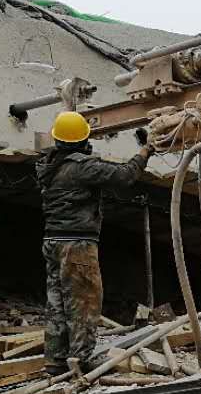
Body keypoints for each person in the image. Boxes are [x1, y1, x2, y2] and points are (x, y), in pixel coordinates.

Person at [36, 110, 153, 376]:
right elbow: (124, 176)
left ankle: (54, 361)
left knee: (57, 302)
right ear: (81, 140)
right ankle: (83, 360)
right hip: (76, 243)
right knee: (84, 301)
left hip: (52, 240)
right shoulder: (81, 167)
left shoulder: (48, 165)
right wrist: (146, 151)